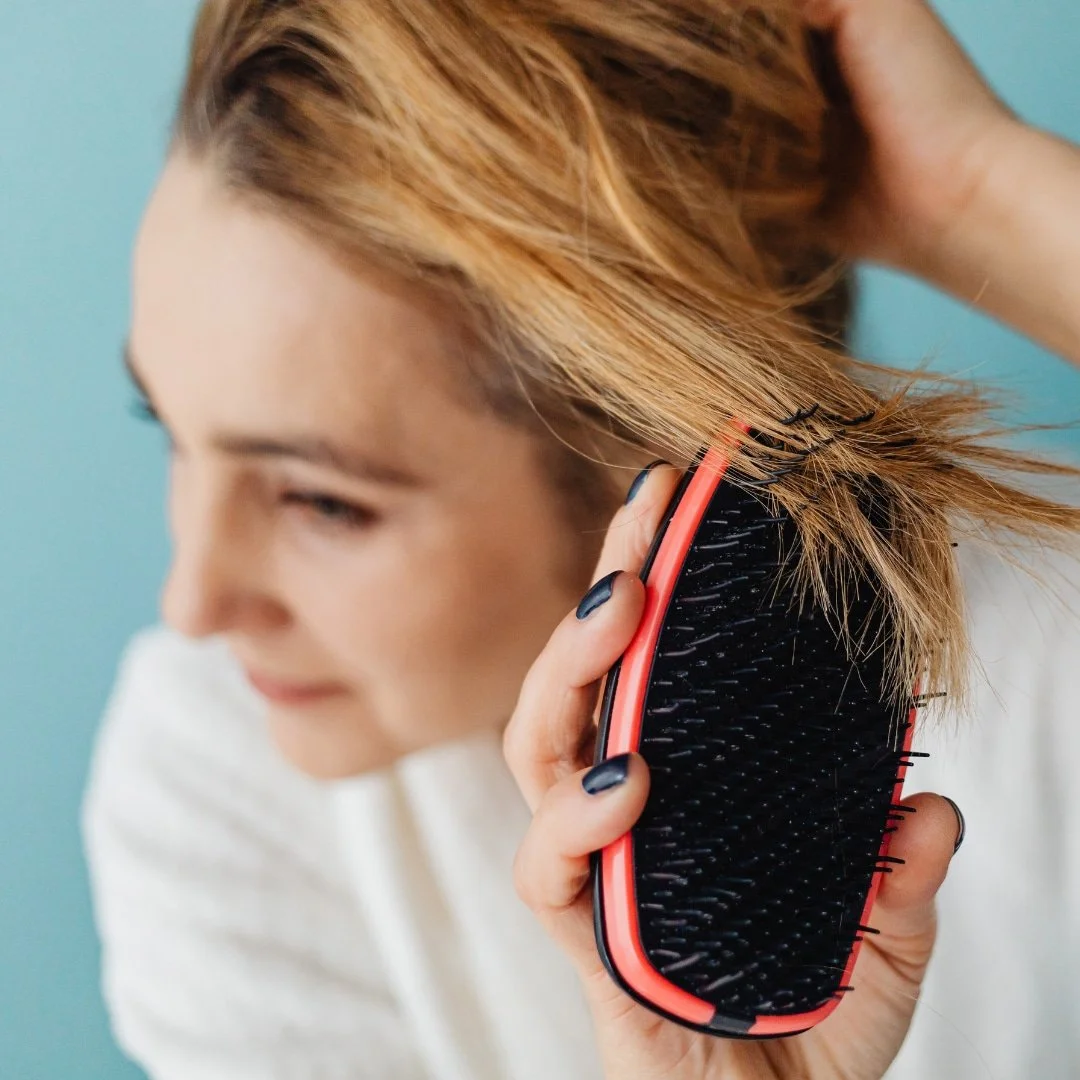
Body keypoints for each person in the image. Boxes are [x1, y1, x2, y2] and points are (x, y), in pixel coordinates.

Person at [81, 0, 1080, 1077]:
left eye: (322, 502)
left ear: (653, 462)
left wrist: (981, 200)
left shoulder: (1048, 666)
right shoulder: (216, 773)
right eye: (171, 435)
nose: (193, 604)